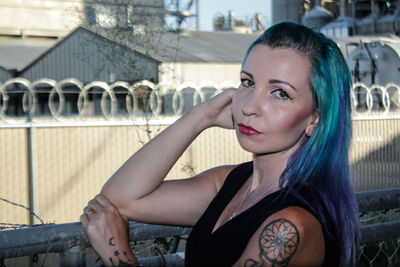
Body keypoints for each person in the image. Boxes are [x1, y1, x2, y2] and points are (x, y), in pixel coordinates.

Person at [80, 21, 360, 266]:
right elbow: (121, 198)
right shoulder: (231, 182)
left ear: (315, 118)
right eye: (247, 82)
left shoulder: (288, 228)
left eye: (280, 93)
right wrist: (203, 115)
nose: (249, 106)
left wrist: (120, 258)